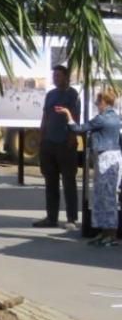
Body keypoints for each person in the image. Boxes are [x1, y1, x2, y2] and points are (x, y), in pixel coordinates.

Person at [57, 90, 122, 246]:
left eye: (98, 102)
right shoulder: (115, 117)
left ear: (105, 102)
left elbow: (79, 129)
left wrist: (68, 115)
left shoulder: (102, 119)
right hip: (113, 157)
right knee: (105, 197)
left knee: (106, 198)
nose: (96, 105)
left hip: (105, 159)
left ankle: (110, 235)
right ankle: (105, 233)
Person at [34, 65, 81, 229]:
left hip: (65, 144)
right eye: (54, 75)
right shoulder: (50, 94)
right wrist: (42, 138)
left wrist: (71, 139)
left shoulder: (73, 95)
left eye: (59, 75)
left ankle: (72, 218)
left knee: (69, 182)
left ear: (66, 77)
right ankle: (51, 217)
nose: (55, 78)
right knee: (50, 181)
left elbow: (75, 118)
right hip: (49, 143)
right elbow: (45, 116)